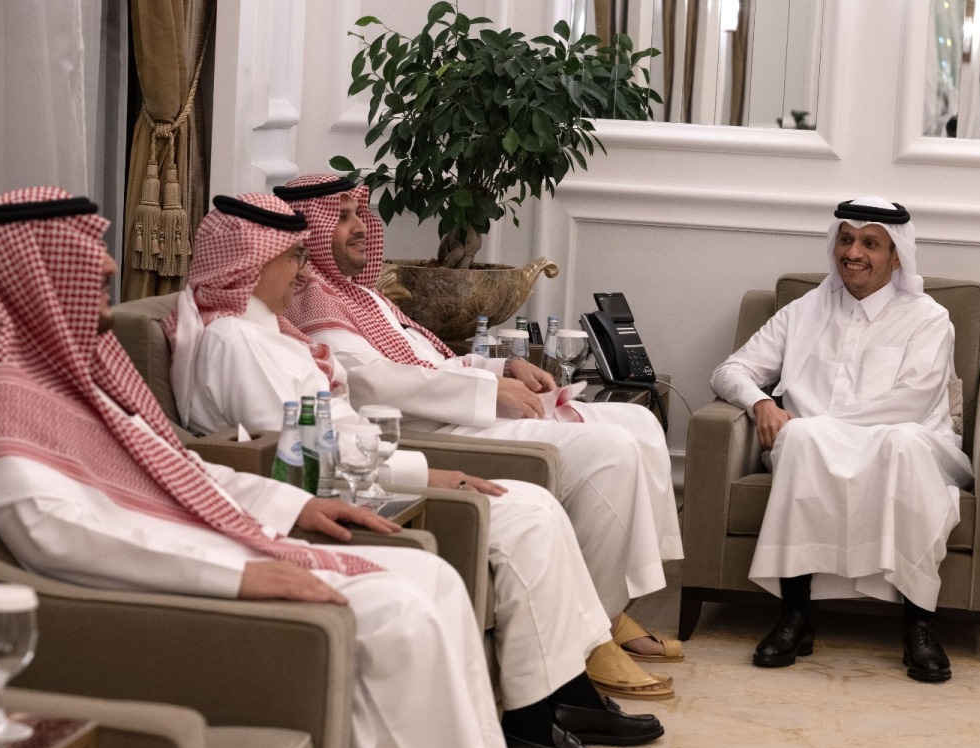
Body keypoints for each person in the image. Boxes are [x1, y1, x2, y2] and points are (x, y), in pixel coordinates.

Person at [0, 187, 528, 748]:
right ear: (32, 280)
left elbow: (175, 465)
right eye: (81, 251)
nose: (106, 264)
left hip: (207, 537)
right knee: (398, 611)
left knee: (432, 575)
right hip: (168, 580)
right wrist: (241, 575)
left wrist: (289, 507)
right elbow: (62, 539)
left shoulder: (74, 377)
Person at [163, 192, 670, 748]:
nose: (303, 271)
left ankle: (563, 698)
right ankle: (531, 727)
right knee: (528, 511)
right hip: (335, 492)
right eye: (293, 256)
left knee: (534, 505)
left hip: (366, 467)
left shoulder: (264, 331)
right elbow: (302, 456)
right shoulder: (236, 342)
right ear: (251, 261)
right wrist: (423, 474)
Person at [275, 174, 686, 684]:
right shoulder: (311, 301)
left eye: (359, 213)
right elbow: (373, 384)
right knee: (612, 450)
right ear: (309, 233)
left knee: (639, 420)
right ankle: (592, 635)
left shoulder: (362, 296)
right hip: (433, 429)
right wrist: (489, 391)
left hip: (458, 409)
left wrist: (501, 368)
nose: (360, 226)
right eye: (341, 218)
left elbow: (425, 361)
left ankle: (613, 606)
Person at [710, 197, 973, 683]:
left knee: (898, 444)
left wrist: (826, 424)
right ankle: (796, 615)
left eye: (870, 243)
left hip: (904, 437)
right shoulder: (803, 311)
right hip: (815, 444)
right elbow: (730, 370)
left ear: (896, 255)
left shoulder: (928, 317)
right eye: (846, 240)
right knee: (800, 437)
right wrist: (762, 403)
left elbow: (913, 401)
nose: (854, 253)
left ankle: (919, 624)